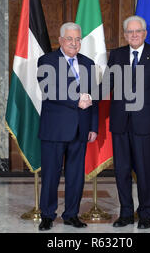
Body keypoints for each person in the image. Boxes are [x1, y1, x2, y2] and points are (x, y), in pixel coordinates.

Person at [100, 15, 150, 229]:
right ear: (125, 35)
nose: (134, 35)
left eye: (137, 31)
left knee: (145, 170)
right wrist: (86, 96)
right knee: (121, 171)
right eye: (130, 32)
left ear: (145, 33)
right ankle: (126, 213)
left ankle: (146, 213)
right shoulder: (117, 54)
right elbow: (107, 84)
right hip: (120, 122)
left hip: (145, 123)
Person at [36, 22, 98, 231]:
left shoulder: (88, 63)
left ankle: (71, 214)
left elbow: (93, 97)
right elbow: (49, 89)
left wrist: (93, 127)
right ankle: (47, 215)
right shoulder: (47, 60)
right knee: (51, 175)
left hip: (80, 129)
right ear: (61, 40)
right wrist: (76, 101)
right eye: (70, 39)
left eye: (78, 39)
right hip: (54, 129)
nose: (74, 43)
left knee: (76, 177)